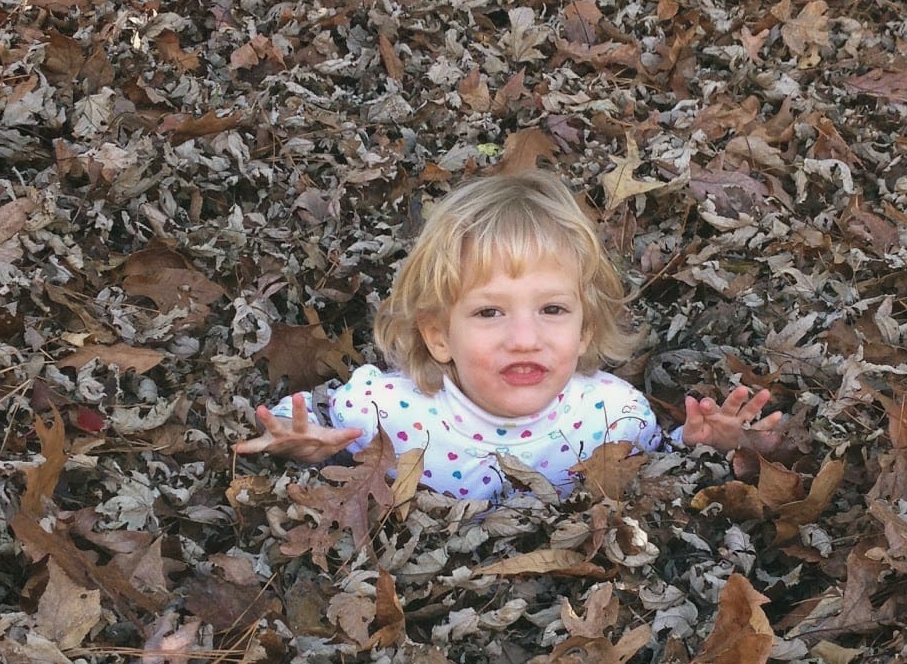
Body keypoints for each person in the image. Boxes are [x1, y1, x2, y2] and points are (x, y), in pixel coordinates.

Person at [233, 168, 782, 499]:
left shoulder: (615, 417)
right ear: (438, 335)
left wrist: (707, 447)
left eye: (551, 309)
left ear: (585, 327)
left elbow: (656, 469)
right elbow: (306, 418)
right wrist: (302, 444)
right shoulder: (388, 409)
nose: (524, 338)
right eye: (489, 313)